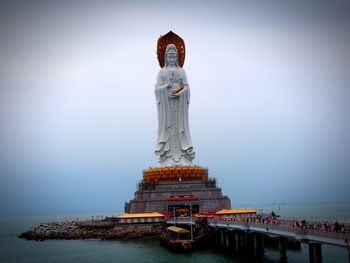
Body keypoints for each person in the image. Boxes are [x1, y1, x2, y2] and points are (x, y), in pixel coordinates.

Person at [154, 44, 195, 166]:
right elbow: (157, 89)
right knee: (168, 128)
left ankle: (182, 156)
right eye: (170, 57)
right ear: (166, 58)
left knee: (179, 128)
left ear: (177, 58)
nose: (172, 59)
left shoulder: (181, 71)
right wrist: (166, 86)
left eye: (174, 57)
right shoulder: (162, 72)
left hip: (179, 106)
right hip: (166, 107)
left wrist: (179, 92)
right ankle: (168, 156)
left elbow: (187, 88)